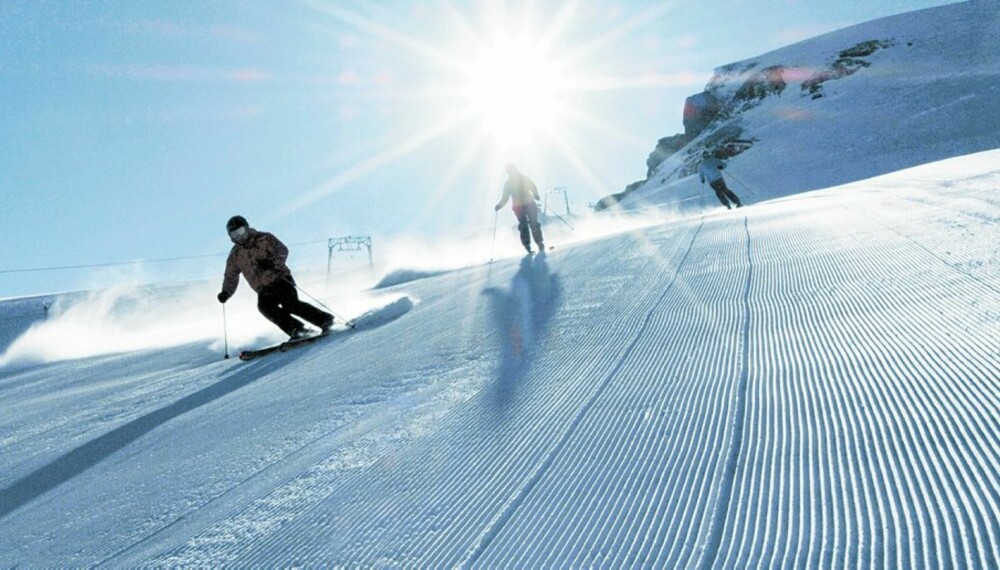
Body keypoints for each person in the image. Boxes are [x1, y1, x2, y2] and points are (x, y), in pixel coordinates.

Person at [217, 215, 333, 339]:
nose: (239, 236)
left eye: (241, 231)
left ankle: (326, 320)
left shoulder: (264, 238)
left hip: (280, 279)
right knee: (265, 308)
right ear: (231, 237)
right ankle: (297, 330)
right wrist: (226, 292)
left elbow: (282, 250)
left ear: (246, 228)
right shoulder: (235, 255)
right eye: (235, 234)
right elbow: (230, 276)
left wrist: (272, 262)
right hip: (263, 289)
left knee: (291, 305)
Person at [495, 163, 545, 253]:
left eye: (511, 170)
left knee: (532, 223)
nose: (511, 172)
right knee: (524, 225)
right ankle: (528, 245)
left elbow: (532, 186)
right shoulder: (508, 184)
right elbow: (505, 197)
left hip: (528, 203)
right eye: (509, 171)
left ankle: (539, 242)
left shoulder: (522, 178)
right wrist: (499, 205)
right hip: (518, 207)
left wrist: (536, 195)